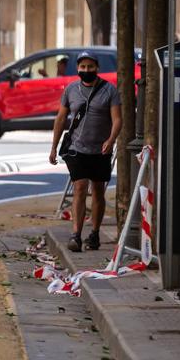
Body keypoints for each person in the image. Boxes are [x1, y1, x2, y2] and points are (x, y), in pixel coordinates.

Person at [49, 51, 121, 253]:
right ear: (78, 69)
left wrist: (111, 139)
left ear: (97, 68)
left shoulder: (109, 91)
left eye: (90, 67)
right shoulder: (71, 90)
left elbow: (117, 119)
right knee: (79, 187)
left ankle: (95, 233)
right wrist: (54, 147)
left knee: (98, 190)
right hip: (76, 148)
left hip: (100, 149)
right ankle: (76, 235)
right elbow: (61, 119)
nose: (86, 70)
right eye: (83, 67)